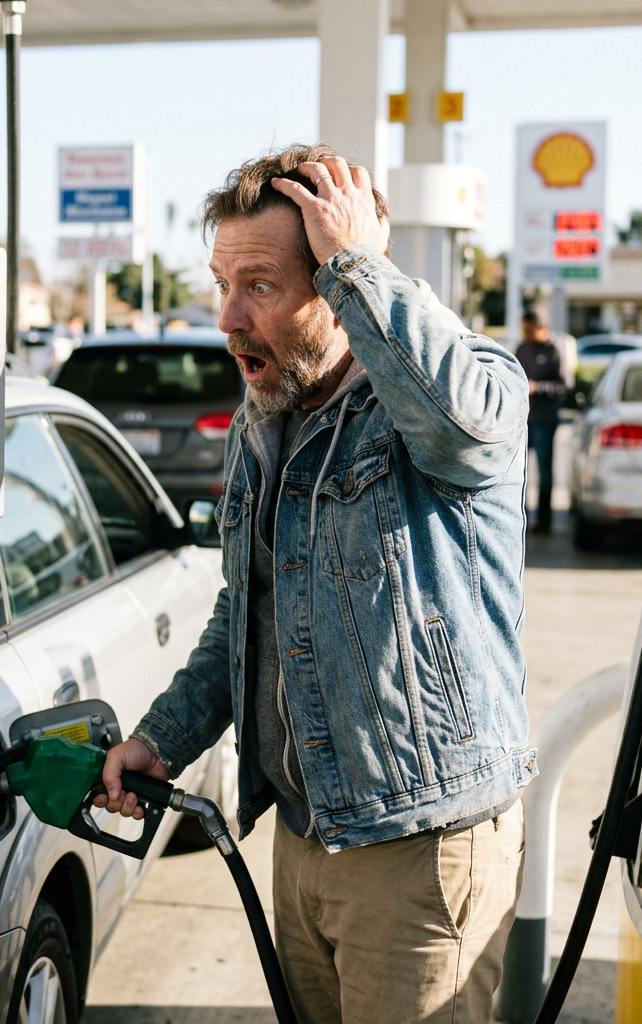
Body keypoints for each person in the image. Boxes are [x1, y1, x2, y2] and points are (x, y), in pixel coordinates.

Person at [95, 143, 535, 1023]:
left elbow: (471, 432)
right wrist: (165, 738)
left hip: (421, 850)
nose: (228, 316)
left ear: (338, 284)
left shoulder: (451, 392)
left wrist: (359, 263)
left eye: (259, 284)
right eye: (222, 283)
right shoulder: (266, 423)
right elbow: (245, 610)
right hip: (303, 838)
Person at [516, 309, 567, 534]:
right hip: (522, 421)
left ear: (542, 327)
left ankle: (545, 521)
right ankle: (520, 518)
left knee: (545, 472)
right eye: (524, 329)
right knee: (519, 472)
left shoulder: (554, 350)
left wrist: (538, 388)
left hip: (545, 420)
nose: (526, 334)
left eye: (530, 330)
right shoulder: (522, 348)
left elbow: (564, 386)